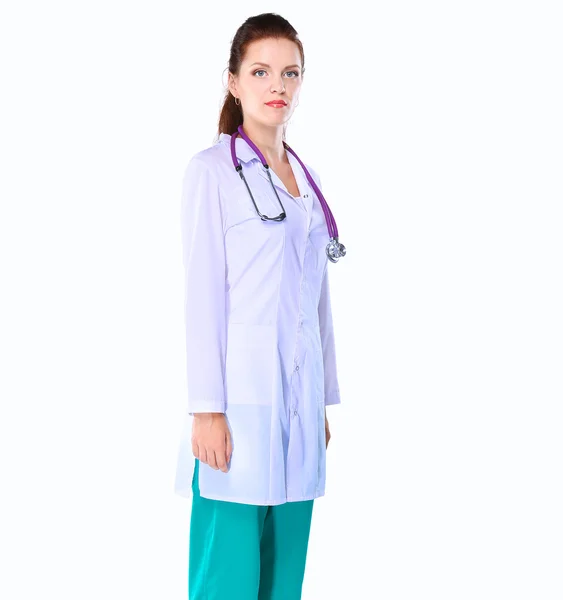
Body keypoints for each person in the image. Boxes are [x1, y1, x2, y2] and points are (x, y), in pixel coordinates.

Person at [174, 12, 342, 600]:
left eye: (291, 73)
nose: (279, 85)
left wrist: (320, 400)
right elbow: (202, 297)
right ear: (234, 81)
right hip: (237, 404)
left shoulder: (306, 180)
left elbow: (315, 299)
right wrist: (206, 409)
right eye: (262, 71)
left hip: (298, 402)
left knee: (283, 575)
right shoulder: (212, 173)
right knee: (228, 574)